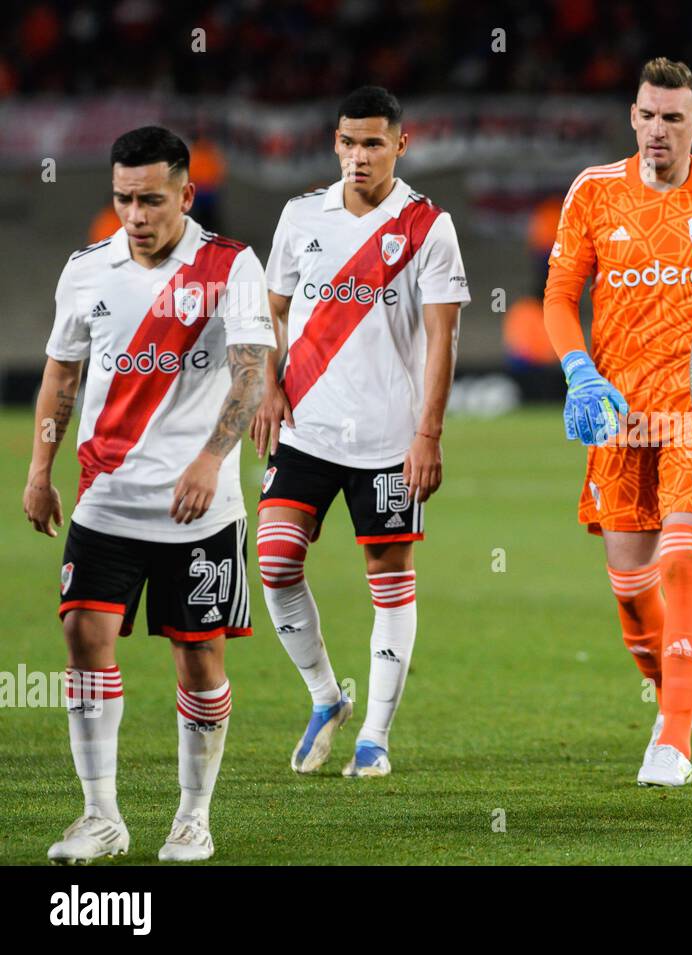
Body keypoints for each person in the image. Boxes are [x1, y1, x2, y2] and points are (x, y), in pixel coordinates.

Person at [23, 125, 274, 862]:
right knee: (82, 637)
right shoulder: (87, 269)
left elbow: (252, 369)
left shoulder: (230, 266)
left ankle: (192, 817)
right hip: (106, 496)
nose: (136, 215)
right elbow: (61, 376)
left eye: (152, 200)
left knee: (199, 657)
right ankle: (101, 814)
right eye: (124, 199)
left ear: (187, 195)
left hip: (201, 507)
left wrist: (209, 458)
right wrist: (39, 471)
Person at [542, 58, 692, 786]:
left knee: (689, 563)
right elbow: (560, 297)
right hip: (616, 416)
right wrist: (577, 368)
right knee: (633, 597)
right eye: (646, 115)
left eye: (672, 118)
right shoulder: (594, 191)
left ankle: (674, 737)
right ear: (632, 116)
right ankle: (672, 703)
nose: (657, 129)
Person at [250, 86, 470, 778]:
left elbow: (443, 338)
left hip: (388, 437)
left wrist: (428, 434)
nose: (358, 156)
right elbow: (273, 311)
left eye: (373, 142)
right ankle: (325, 695)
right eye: (347, 142)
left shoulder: (428, 226)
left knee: (388, 575)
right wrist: (266, 383)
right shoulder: (299, 216)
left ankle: (374, 735)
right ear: (334, 144)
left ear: (401, 145)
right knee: (276, 560)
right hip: (305, 427)